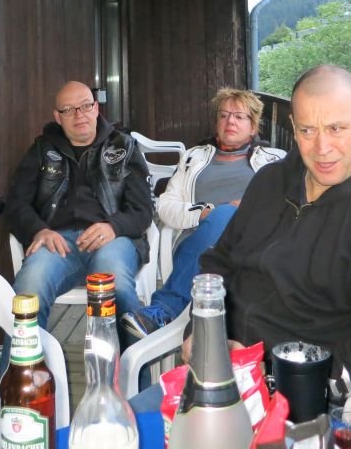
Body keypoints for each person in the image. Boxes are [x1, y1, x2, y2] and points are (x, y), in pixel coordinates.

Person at [195, 64, 351, 400]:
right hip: (216, 369)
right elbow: (218, 262)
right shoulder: (269, 182)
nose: (322, 147)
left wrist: (269, 379)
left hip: (294, 399)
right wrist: (201, 331)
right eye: (308, 130)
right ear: (293, 128)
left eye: (336, 128)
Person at [119, 87, 284, 339]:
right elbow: (165, 205)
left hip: (254, 241)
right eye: (224, 115)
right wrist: (202, 213)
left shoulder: (275, 160)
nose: (230, 121)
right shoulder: (193, 158)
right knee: (222, 215)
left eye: (239, 116)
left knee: (227, 213)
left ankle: (164, 310)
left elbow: (287, 203)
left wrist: (247, 207)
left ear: (253, 127)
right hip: (199, 242)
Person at [5, 81, 153, 329]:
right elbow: (16, 204)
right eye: (68, 110)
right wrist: (38, 230)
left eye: (85, 106)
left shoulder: (124, 147)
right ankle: (26, 356)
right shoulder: (42, 150)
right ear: (58, 117)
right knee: (29, 290)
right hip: (58, 244)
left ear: (96, 108)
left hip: (113, 240)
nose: (79, 115)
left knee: (113, 284)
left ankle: (132, 355)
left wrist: (113, 227)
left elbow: (143, 210)